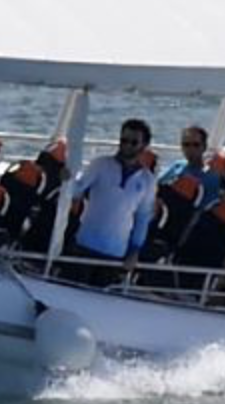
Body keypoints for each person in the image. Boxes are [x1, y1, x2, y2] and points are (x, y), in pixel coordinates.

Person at [63, 117, 158, 284]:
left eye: (133, 142)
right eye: (123, 140)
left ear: (144, 145)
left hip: (115, 252)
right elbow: (77, 190)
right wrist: (66, 179)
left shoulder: (148, 180)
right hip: (84, 244)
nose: (127, 145)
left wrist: (135, 250)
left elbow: (142, 218)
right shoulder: (100, 164)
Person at [158, 125, 225, 211]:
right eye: (186, 145)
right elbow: (156, 186)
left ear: (204, 147)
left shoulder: (211, 177)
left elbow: (207, 210)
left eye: (196, 145)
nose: (191, 149)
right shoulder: (177, 166)